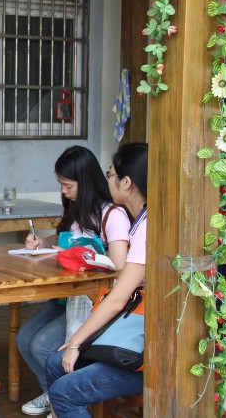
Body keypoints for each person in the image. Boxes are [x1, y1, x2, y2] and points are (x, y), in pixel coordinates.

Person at [16, 145, 131, 416]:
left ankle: (62, 397)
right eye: (61, 185)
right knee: (24, 338)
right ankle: (52, 394)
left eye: (68, 185)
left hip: (94, 302)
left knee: (42, 345)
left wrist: (79, 256)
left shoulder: (112, 216)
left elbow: (119, 267)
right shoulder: (77, 210)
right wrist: (43, 241)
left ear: (86, 181)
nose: (64, 191)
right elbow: (65, 239)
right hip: (68, 297)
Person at [45, 143, 148, 418]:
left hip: (142, 349)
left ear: (126, 183)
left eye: (111, 174)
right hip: (133, 325)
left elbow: (117, 299)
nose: (108, 179)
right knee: (55, 363)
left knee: (63, 392)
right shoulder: (140, 220)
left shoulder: (146, 225)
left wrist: (77, 341)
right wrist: (77, 341)